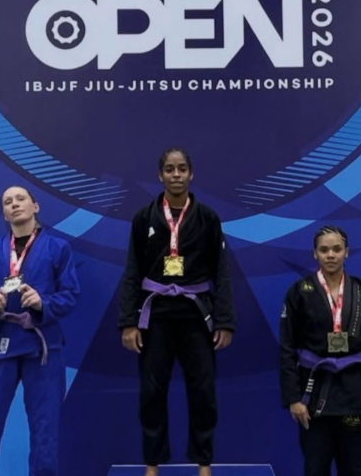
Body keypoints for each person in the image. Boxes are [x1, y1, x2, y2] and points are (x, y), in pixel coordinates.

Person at [118, 148, 235, 476]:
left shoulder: (208, 218)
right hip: (155, 315)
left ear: (191, 174)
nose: (176, 175)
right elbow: (132, 271)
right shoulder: (144, 217)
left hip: (197, 316)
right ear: (161, 175)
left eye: (182, 169)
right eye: (169, 169)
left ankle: (204, 463)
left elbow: (222, 272)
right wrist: (128, 322)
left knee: (203, 391)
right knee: (151, 392)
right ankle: (152, 463)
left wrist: (225, 320)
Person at [0, 186, 79, 475]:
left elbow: (70, 294)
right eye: (7, 202)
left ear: (35, 206)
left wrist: (43, 303)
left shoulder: (57, 248)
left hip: (42, 348)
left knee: (45, 430)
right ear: (4, 213)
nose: (14, 204)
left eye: (20, 199)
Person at [280, 226, 361, 476]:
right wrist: (293, 398)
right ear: (315, 254)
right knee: (315, 469)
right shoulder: (299, 291)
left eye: (336, 249)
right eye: (324, 250)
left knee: (355, 470)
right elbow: (287, 348)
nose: (330, 255)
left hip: (354, 393)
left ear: (347, 252)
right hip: (312, 394)